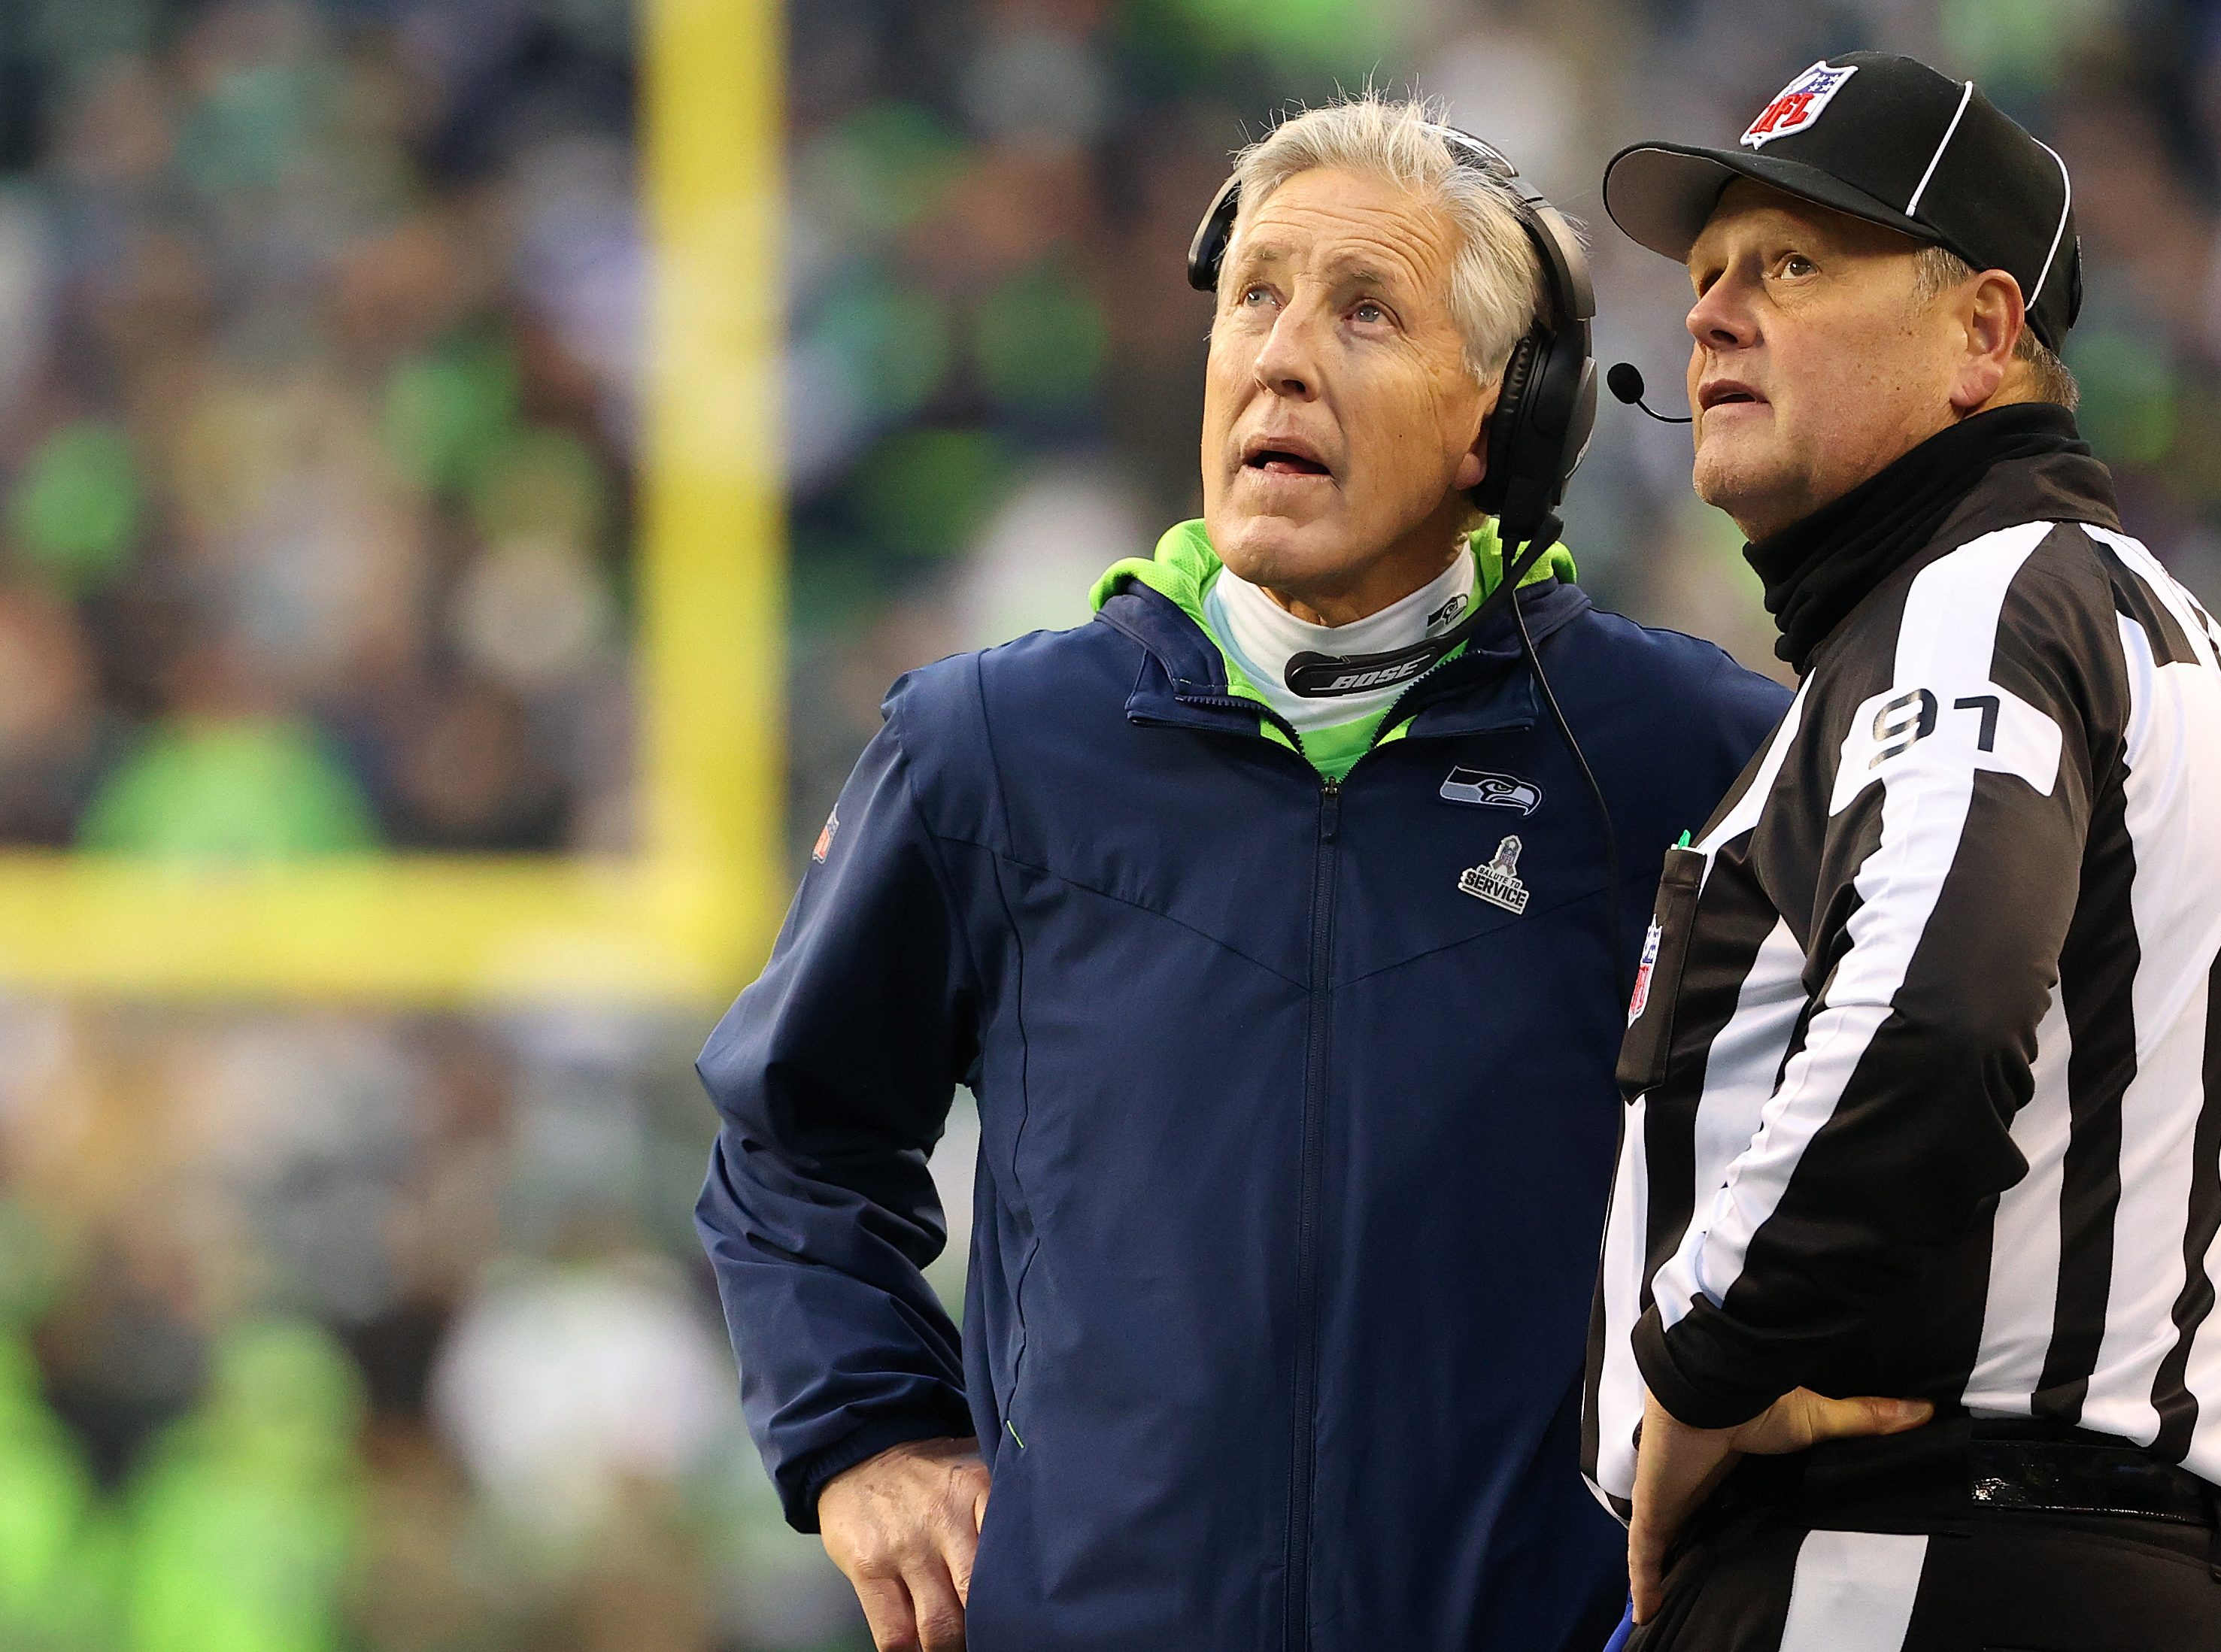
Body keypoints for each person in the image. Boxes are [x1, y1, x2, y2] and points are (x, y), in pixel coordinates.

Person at [693, 99, 1789, 1652]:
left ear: (1506, 416)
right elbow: (789, 1142)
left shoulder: (1686, 749)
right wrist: (864, 1431)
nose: (1280, 353)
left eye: (1364, 311)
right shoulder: (994, 741)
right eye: (1256, 294)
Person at [1582, 53, 2221, 1649]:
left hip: (1918, 1561)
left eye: (1789, 264)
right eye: (1705, 277)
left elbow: (1939, 1006)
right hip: (2195, 1580)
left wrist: (1702, 1376)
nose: (1709, 313)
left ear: (1985, 333)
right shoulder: (2203, 669)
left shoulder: (1982, 603)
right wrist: (2147, 1363)